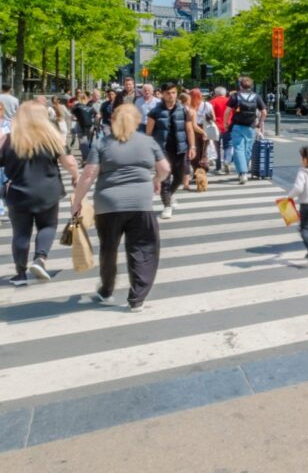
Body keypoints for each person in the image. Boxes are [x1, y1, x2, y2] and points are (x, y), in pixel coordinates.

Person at [71, 102, 170, 311]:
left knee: (108, 248)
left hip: (108, 204)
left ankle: (106, 289)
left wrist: (78, 201)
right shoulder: (148, 142)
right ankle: (137, 298)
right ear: (137, 121)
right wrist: (156, 180)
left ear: (112, 120)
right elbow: (164, 168)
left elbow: (89, 174)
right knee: (142, 248)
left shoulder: (102, 143)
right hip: (141, 204)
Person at [1, 100, 80, 284]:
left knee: (20, 233)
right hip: (48, 191)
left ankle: (20, 273)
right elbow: (69, 162)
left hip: (19, 192)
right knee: (47, 226)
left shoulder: (9, 139)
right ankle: (40, 258)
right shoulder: (52, 138)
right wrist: (76, 176)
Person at [146, 82, 196, 218]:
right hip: (162, 150)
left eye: (173, 92)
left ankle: (170, 195)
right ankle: (167, 206)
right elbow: (149, 132)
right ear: (162, 94)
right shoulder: (155, 111)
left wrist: (192, 146)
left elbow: (189, 130)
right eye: (168, 93)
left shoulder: (183, 110)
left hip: (180, 148)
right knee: (165, 179)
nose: (171, 95)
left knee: (180, 177)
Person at [227, 76, 267, 184]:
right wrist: (260, 122)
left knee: (238, 148)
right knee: (248, 149)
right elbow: (264, 112)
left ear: (240, 85)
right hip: (251, 126)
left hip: (237, 125)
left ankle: (243, 173)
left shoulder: (235, 96)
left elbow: (227, 111)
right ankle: (244, 167)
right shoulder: (256, 96)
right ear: (251, 86)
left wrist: (226, 123)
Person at [210, 86, 232, 173]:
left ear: (215, 93)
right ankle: (227, 160)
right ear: (225, 93)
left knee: (217, 147)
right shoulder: (230, 101)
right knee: (228, 145)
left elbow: (209, 116)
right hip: (228, 126)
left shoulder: (212, 102)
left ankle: (218, 167)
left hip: (216, 127)